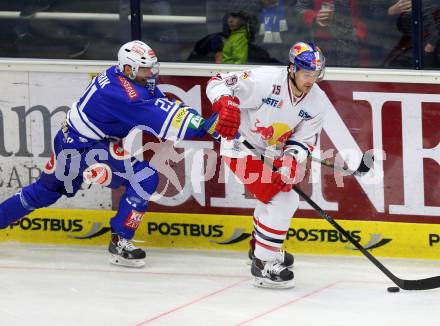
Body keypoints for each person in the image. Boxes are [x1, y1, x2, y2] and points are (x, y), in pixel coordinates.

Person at [0, 40, 232, 268]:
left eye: (152, 66)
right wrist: (208, 126)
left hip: (71, 141)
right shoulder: (125, 94)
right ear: (129, 68)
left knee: (45, 192)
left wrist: (201, 123)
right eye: (145, 68)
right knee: (145, 177)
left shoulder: (121, 75)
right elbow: (167, 118)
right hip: (84, 149)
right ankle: (120, 240)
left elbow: (162, 105)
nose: (151, 72)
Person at [206, 42, 331, 288]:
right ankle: (264, 264)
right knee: (284, 199)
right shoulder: (264, 80)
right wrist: (226, 103)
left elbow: (303, 139)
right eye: (307, 74)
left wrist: (291, 159)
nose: (311, 80)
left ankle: (262, 247)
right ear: (292, 69)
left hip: (274, 153)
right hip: (241, 148)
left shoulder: (317, 100)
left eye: (316, 74)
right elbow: (217, 81)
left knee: (273, 196)